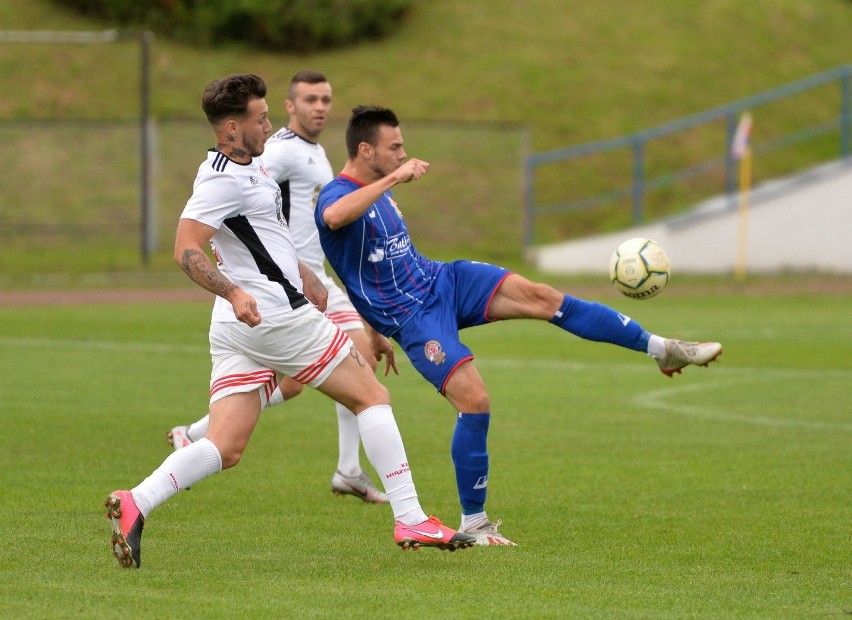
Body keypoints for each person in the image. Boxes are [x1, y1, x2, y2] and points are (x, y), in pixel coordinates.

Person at [104, 76, 476, 569]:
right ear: (232, 127)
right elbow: (185, 248)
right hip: (275, 318)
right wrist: (234, 290)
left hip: (246, 324)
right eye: (261, 118)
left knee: (225, 444)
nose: (269, 124)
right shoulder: (220, 179)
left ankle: (136, 502)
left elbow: (265, 237)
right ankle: (410, 516)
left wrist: (305, 274)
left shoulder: (249, 165)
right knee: (372, 395)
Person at [315, 105, 723, 547]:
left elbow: (361, 270)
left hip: (443, 279)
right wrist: (393, 180)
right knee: (475, 401)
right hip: (415, 317)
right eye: (394, 148)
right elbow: (335, 219)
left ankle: (661, 349)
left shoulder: (379, 192)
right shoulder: (338, 193)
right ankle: (474, 521)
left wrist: (373, 331)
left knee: (544, 297)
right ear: (365, 150)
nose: (403, 155)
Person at [166, 70, 391, 504]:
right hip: (280, 291)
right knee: (359, 370)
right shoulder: (279, 152)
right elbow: (232, 206)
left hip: (307, 279)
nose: (320, 107)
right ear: (292, 106)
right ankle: (357, 475)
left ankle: (194, 435)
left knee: (292, 385)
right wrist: (239, 281)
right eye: (310, 99)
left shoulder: (315, 153)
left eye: (326, 98)